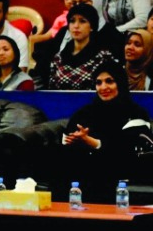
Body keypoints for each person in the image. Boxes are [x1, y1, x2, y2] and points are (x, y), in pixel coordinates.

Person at [57, 60, 149, 203]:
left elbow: (128, 151)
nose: (103, 87)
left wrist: (92, 142)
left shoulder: (136, 113)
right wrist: (73, 140)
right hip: (82, 173)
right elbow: (65, 142)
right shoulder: (84, 113)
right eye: (98, 83)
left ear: (120, 83)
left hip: (116, 175)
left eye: (109, 81)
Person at [48, 3, 116, 91]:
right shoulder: (58, 58)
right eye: (72, 21)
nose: (76, 26)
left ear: (92, 27)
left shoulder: (104, 57)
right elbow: (51, 91)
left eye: (82, 21)